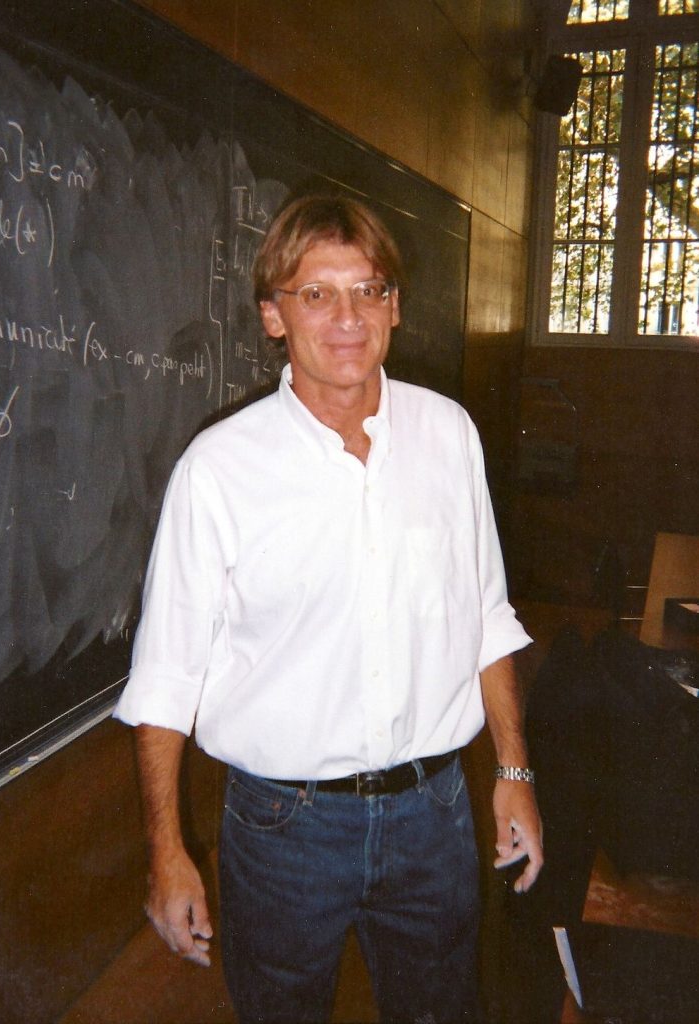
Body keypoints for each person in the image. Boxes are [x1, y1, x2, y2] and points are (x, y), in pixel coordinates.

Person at [114, 194, 543, 1024]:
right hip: (285, 832)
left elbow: (486, 614)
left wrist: (514, 772)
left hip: (436, 817)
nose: (347, 317)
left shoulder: (449, 435)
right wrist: (165, 851)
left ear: (394, 307)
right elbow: (165, 678)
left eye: (368, 290)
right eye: (316, 294)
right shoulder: (218, 471)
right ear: (273, 316)